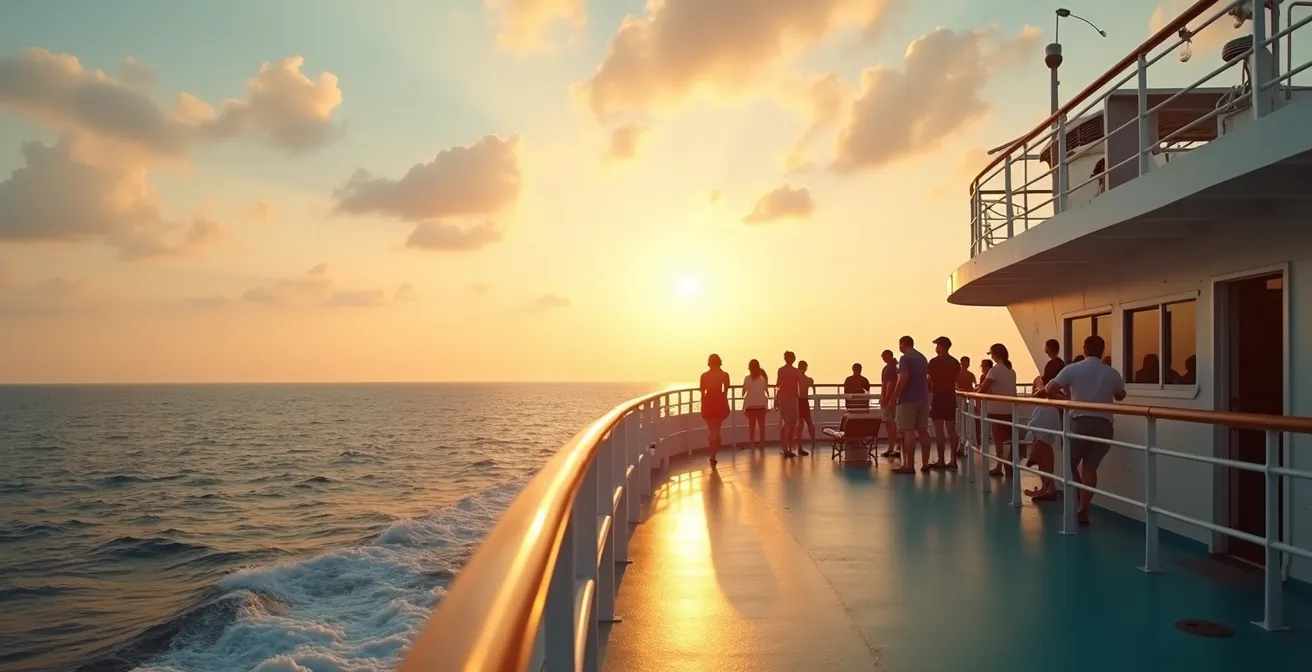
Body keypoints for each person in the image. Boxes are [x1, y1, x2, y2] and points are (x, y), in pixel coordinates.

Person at [1046, 334, 1126, 525]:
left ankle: (1076, 499)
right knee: (1090, 467)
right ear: (1103, 351)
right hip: (1103, 424)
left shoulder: (1073, 369)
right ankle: (1083, 507)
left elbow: (1049, 388)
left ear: (1084, 349)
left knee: (1070, 463)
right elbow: (1120, 395)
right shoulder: (1111, 372)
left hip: (1078, 422)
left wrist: (1067, 400)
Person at [890, 336, 933, 474]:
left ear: (903, 344)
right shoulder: (922, 358)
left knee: (908, 431)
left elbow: (903, 377)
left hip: (907, 399)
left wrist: (895, 394)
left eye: (900, 344)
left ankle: (909, 465)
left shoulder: (905, 358)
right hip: (923, 398)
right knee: (923, 430)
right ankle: (925, 463)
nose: (899, 347)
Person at [980, 343, 1018, 478]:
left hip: (997, 409)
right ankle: (1008, 466)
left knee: (998, 440)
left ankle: (999, 466)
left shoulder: (995, 370)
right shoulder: (1011, 371)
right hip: (1010, 409)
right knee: (1007, 440)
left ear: (995, 354)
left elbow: (983, 390)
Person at [1023, 376, 1062, 500]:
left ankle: (1047, 488)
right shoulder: (1048, 408)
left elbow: (1035, 424)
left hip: (1044, 437)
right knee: (1044, 461)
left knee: (1045, 460)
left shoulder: (1044, 408)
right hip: (1046, 436)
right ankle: (1048, 488)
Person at [927, 336, 961, 469]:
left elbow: (929, 381)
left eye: (937, 345)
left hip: (938, 397)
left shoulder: (934, 362)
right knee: (951, 429)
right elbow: (956, 379)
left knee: (939, 430)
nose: (936, 348)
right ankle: (953, 460)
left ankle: (941, 460)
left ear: (941, 346)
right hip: (950, 397)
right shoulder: (955, 362)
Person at [699, 354, 731, 467]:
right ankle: (713, 452)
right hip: (719, 402)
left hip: (708, 402)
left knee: (711, 429)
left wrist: (703, 404)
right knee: (717, 428)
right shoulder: (724, 375)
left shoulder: (704, 376)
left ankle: (712, 452)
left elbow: (702, 391)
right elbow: (726, 391)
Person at [775, 351, 807, 457]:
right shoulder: (796, 371)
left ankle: (787, 448)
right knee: (790, 423)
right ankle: (787, 448)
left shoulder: (781, 370)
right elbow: (801, 384)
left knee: (788, 423)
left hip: (785, 398)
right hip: (792, 399)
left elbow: (778, 384)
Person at [878, 350, 901, 458]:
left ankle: (892, 447)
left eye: (884, 356)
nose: (882, 358)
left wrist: (886, 398)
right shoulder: (891, 368)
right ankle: (897, 447)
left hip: (890, 401)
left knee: (890, 423)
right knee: (895, 424)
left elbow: (889, 385)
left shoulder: (890, 369)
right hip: (892, 399)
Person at [742, 360, 769, 450]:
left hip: (750, 406)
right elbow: (766, 388)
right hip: (761, 405)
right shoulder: (763, 379)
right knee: (762, 427)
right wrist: (764, 375)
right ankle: (762, 444)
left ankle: (752, 445)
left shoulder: (746, 378)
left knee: (751, 427)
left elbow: (743, 392)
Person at [795, 360, 816, 450]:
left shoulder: (795, 378)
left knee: (800, 424)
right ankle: (813, 441)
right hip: (804, 401)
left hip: (797, 401)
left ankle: (799, 444)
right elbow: (812, 384)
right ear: (805, 368)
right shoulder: (807, 379)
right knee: (809, 422)